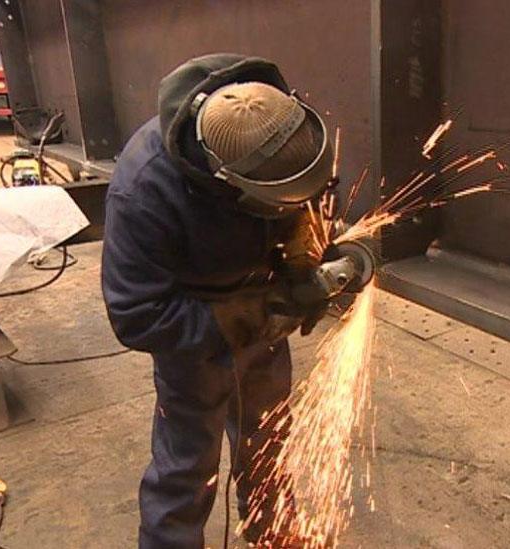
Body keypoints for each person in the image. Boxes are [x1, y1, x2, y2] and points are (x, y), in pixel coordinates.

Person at [101, 54, 344, 548]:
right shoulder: (145, 189)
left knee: (269, 443)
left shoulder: (281, 125)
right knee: (187, 466)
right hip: (193, 335)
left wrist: (325, 253)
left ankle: (271, 532)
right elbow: (135, 315)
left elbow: (318, 194)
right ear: (226, 180)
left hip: (264, 318)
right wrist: (251, 315)